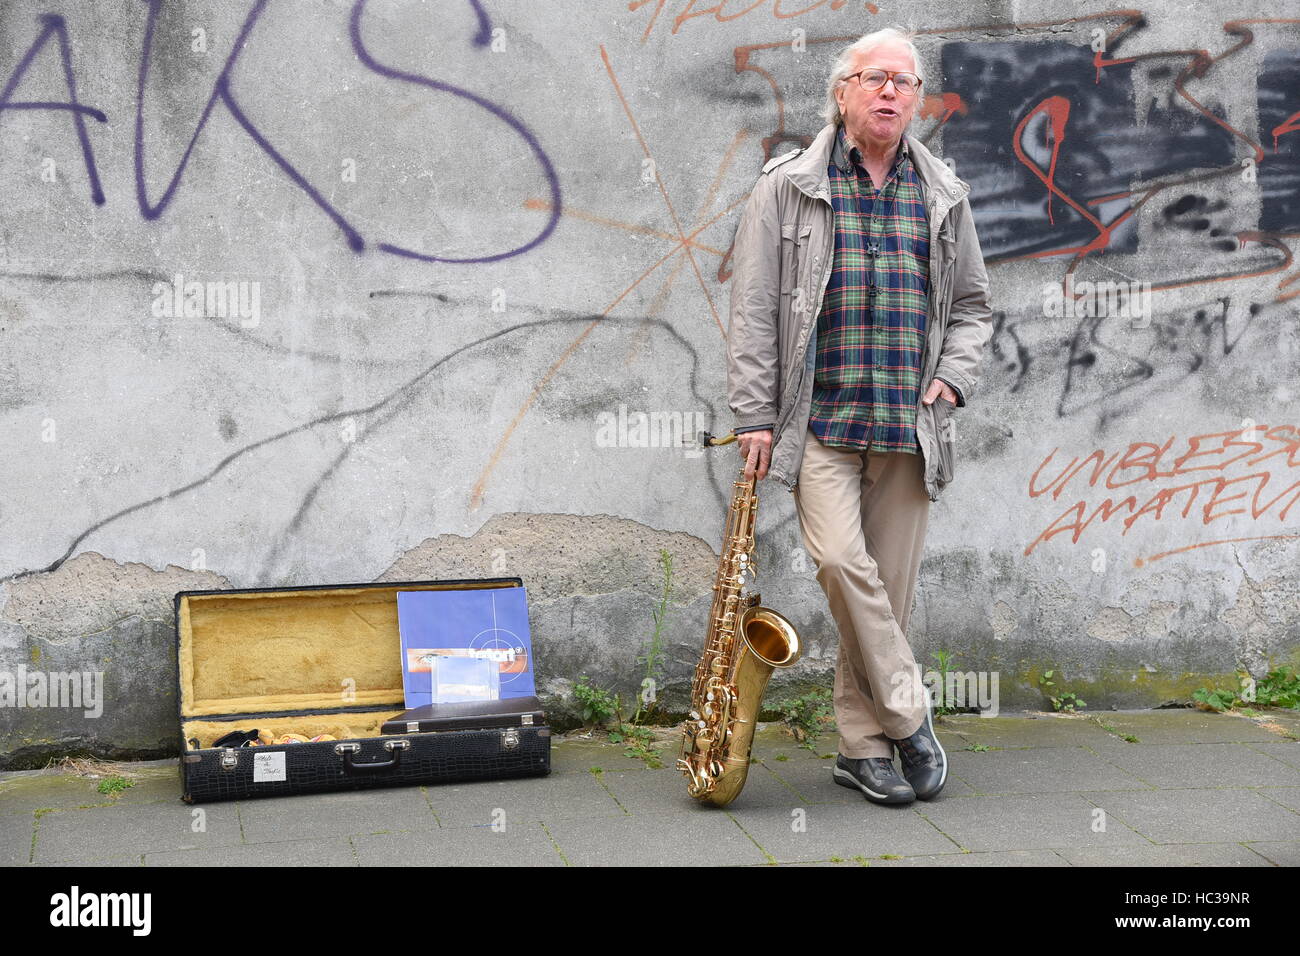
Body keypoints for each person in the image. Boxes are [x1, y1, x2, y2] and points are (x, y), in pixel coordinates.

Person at [725, 27, 993, 805]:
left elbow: (974, 306)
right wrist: (754, 415)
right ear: (842, 92)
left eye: (905, 83)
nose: (890, 93)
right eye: (875, 78)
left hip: (908, 431)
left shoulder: (942, 192)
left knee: (885, 596)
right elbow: (752, 315)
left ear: (917, 100)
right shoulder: (788, 186)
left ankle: (862, 747)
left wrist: (952, 378)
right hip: (821, 426)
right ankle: (910, 716)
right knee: (845, 568)